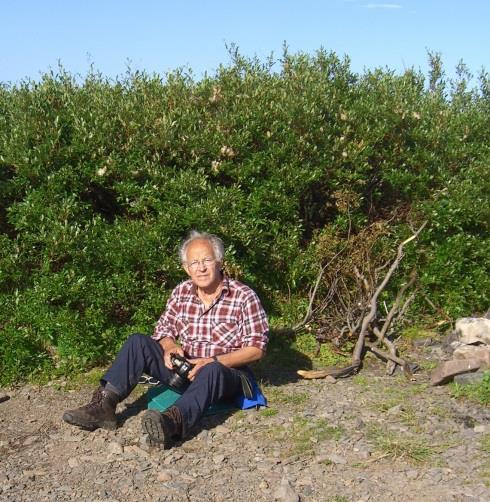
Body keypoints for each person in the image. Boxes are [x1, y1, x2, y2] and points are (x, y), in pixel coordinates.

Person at [62, 231, 269, 448]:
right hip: (186, 370)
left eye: (207, 260)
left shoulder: (243, 295)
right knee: (137, 342)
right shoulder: (181, 292)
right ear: (186, 268)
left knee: (211, 370)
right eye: (194, 262)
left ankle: (171, 423)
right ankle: (104, 406)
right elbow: (163, 329)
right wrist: (170, 347)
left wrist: (213, 361)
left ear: (219, 262)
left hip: (224, 373)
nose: (201, 267)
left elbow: (257, 348)